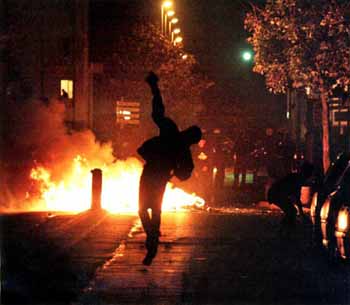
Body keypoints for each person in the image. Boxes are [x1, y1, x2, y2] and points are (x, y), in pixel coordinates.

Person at [137, 71, 202, 265]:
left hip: (150, 173)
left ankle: (152, 235)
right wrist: (174, 174)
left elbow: (158, 113)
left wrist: (154, 88)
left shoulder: (172, 132)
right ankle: (153, 236)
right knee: (153, 209)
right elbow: (186, 172)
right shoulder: (183, 149)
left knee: (144, 208)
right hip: (158, 176)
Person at [267, 161, 314, 230]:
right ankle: (285, 229)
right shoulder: (298, 179)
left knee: (291, 211)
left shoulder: (297, 177)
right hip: (276, 194)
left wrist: (301, 213)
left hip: (276, 193)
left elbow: (296, 197)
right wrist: (302, 214)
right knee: (291, 211)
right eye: (310, 173)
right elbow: (297, 198)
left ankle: (286, 228)